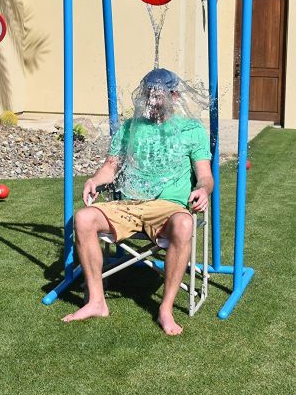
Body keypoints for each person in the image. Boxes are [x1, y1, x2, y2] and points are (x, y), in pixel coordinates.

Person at [62, 68, 213, 335]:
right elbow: (110, 167)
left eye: (159, 97)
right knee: (83, 218)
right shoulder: (130, 128)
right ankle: (96, 301)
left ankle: (165, 309)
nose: (153, 103)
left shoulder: (191, 129)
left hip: (168, 209)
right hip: (130, 206)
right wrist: (95, 181)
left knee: (185, 224)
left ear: (174, 96)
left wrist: (203, 189)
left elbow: (205, 176)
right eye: (148, 96)